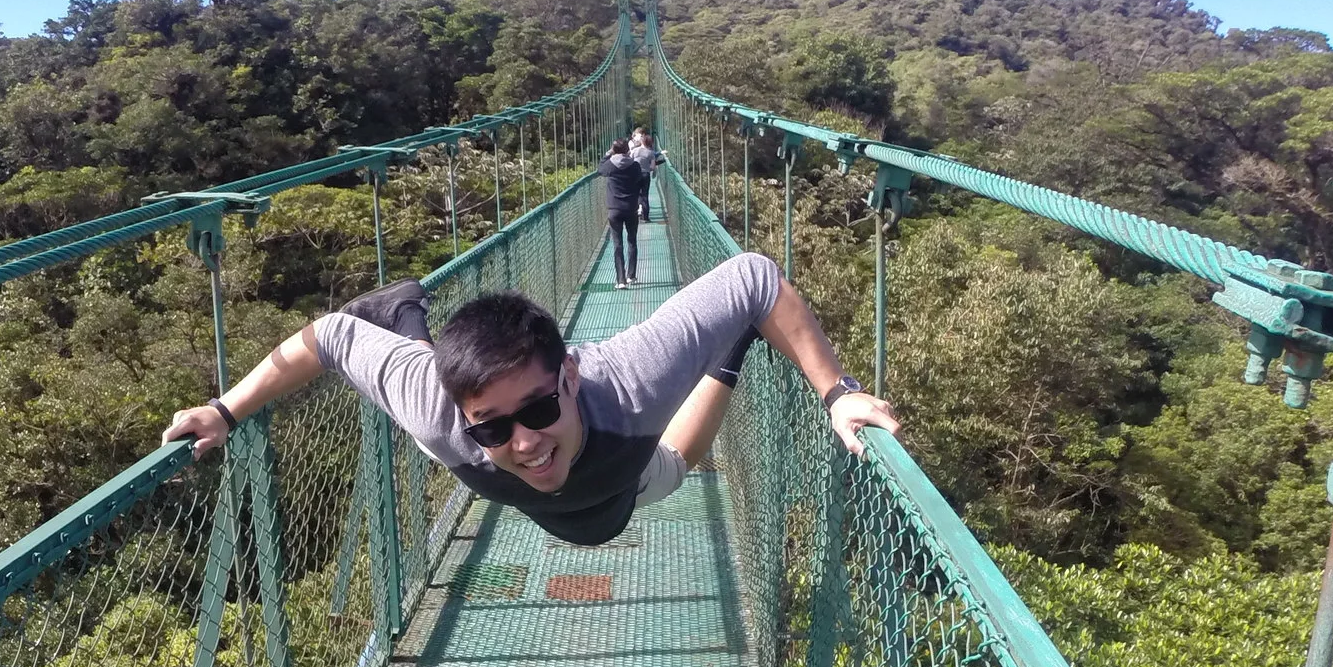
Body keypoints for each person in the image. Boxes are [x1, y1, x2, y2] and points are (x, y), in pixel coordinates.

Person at [161, 254, 899, 548]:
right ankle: (405, 316)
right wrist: (224, 412)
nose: (523, 442)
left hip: (619, 474)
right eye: (493, 427)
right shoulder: (440, 413)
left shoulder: (631, 384)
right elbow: (327, 335)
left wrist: (838, 394)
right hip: (463, 428)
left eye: (540, 409)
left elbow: (755, 278)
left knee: (672, 464)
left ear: (569, 377)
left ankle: (730, 346)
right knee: (425, 410)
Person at [598, 140, 645, 287]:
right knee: (632, 241)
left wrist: (608, 154)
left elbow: (600, 169)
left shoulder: (610, 165)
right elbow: (640, 180)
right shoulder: (635, 166)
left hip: (615, 210)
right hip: (631, 208)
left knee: (617, 245)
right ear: (627, 150)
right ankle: (631, 275)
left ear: (614, 150)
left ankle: (621, 280)